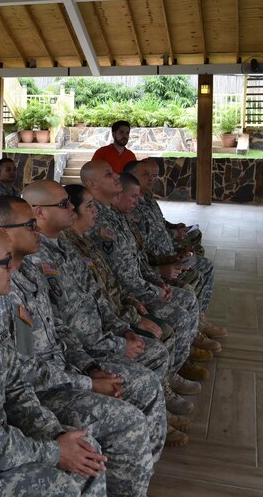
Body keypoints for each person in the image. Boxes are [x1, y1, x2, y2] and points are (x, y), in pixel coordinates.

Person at [0, 197, 156, 496]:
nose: (38, 230)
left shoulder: (30, 272)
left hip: (60, 374)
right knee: (125, 426)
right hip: (44, 390)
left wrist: (90, 368)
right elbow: (24, 377)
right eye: (29, 224)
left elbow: (59, 328)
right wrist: (87, 384)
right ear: (3, 233)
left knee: (140, 387)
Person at [0, 223, 109, 496]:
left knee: (87, 451)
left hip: (0, 440)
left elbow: (16, 389)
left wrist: (54, 434)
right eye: (5, 262)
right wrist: (53, 452)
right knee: (65, 482)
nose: (13, 268)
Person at [20, 182, 170, 452]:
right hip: (62, 373)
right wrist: (91, 374)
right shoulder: (25, 274)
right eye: (64, 204)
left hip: (79, 358)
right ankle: (137, 453)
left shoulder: (58, 252)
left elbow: (90, 301)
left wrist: (123, 330)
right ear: (40, 213)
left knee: (148, 371)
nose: (72, 210)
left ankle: (141, 454)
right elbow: (27, 371)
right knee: (139, 395)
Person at [80, 161, 206, 384]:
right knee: (178, 313)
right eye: (109, 173)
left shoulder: (115, 214)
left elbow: (136, 259)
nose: (116, 176)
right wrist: (147, 296)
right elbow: (118, 277)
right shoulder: (98, 222)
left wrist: (158, 278)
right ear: (92, 183)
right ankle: (169, 379)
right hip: (127, 299)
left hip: (131, 295)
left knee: (189, 288)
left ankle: (179, 361)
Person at [129, 159, 225, 341]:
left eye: (155, 176)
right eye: (146, 175)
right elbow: (138, 255)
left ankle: (199, 321)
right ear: (130, 176)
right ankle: (193, 331)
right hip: (153, 267)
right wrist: (163, 266)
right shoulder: (129, 209)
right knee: (191, 282)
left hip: (165, 256)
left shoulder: (147, 198)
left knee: (203, 263)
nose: (152, 179)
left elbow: (161, 225)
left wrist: (177, 239)